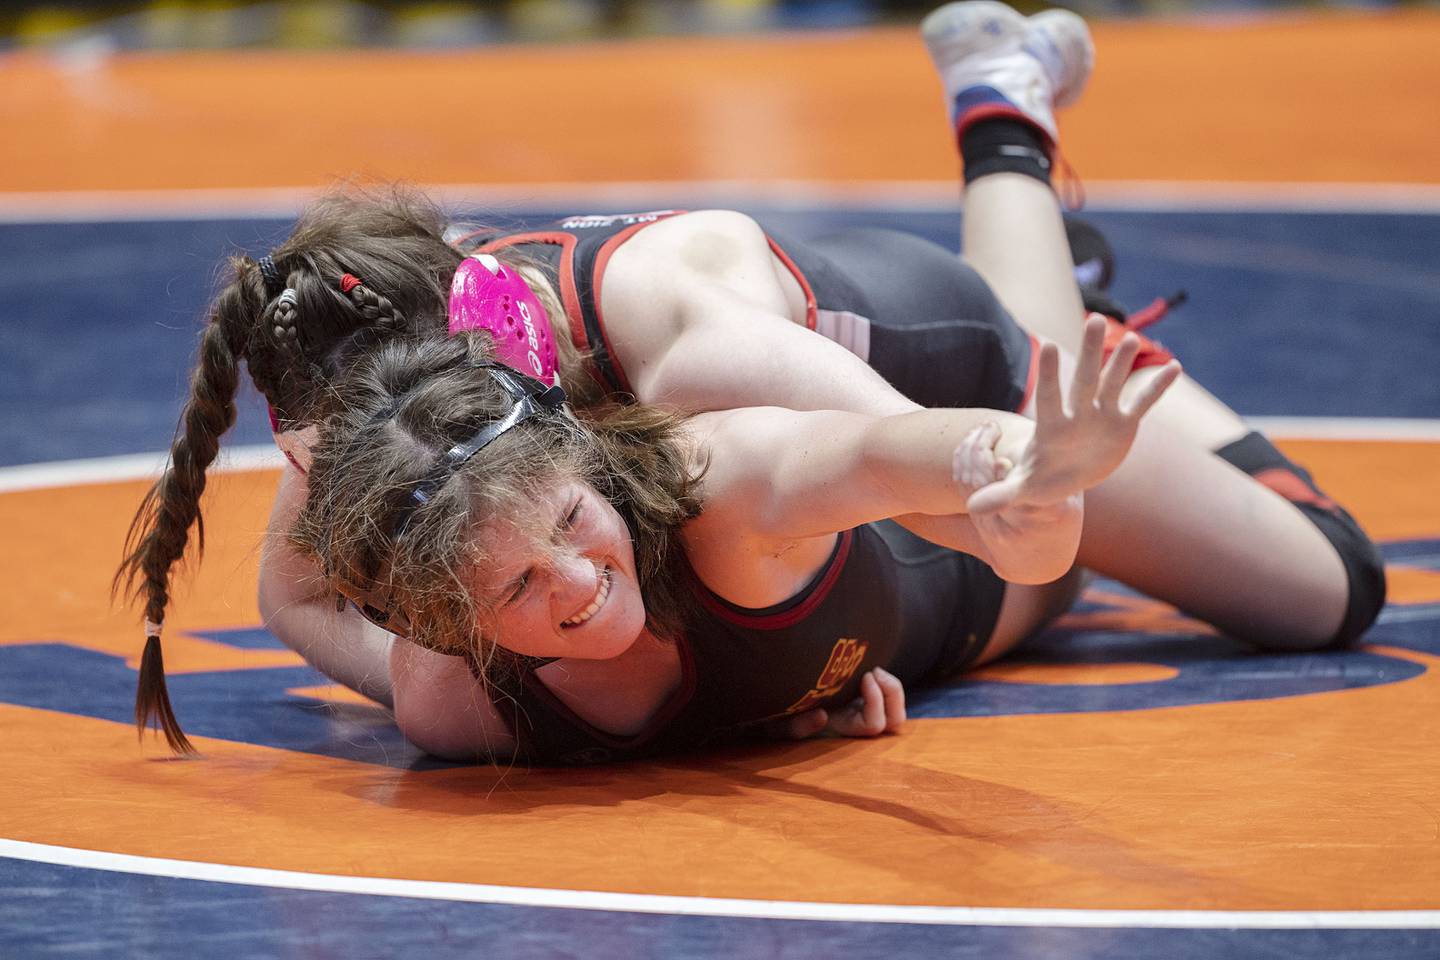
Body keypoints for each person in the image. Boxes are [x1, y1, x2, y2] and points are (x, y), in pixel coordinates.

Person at [116, 1, 1384, 755]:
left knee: (1324, 589)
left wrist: (1028, 479)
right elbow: (300, 588)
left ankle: (1008, 136)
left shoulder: (688, 348)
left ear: (483, 352)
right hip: (799, 497)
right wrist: (444, 653)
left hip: (924, 357)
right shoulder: (395, 417)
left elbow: (947, 484)